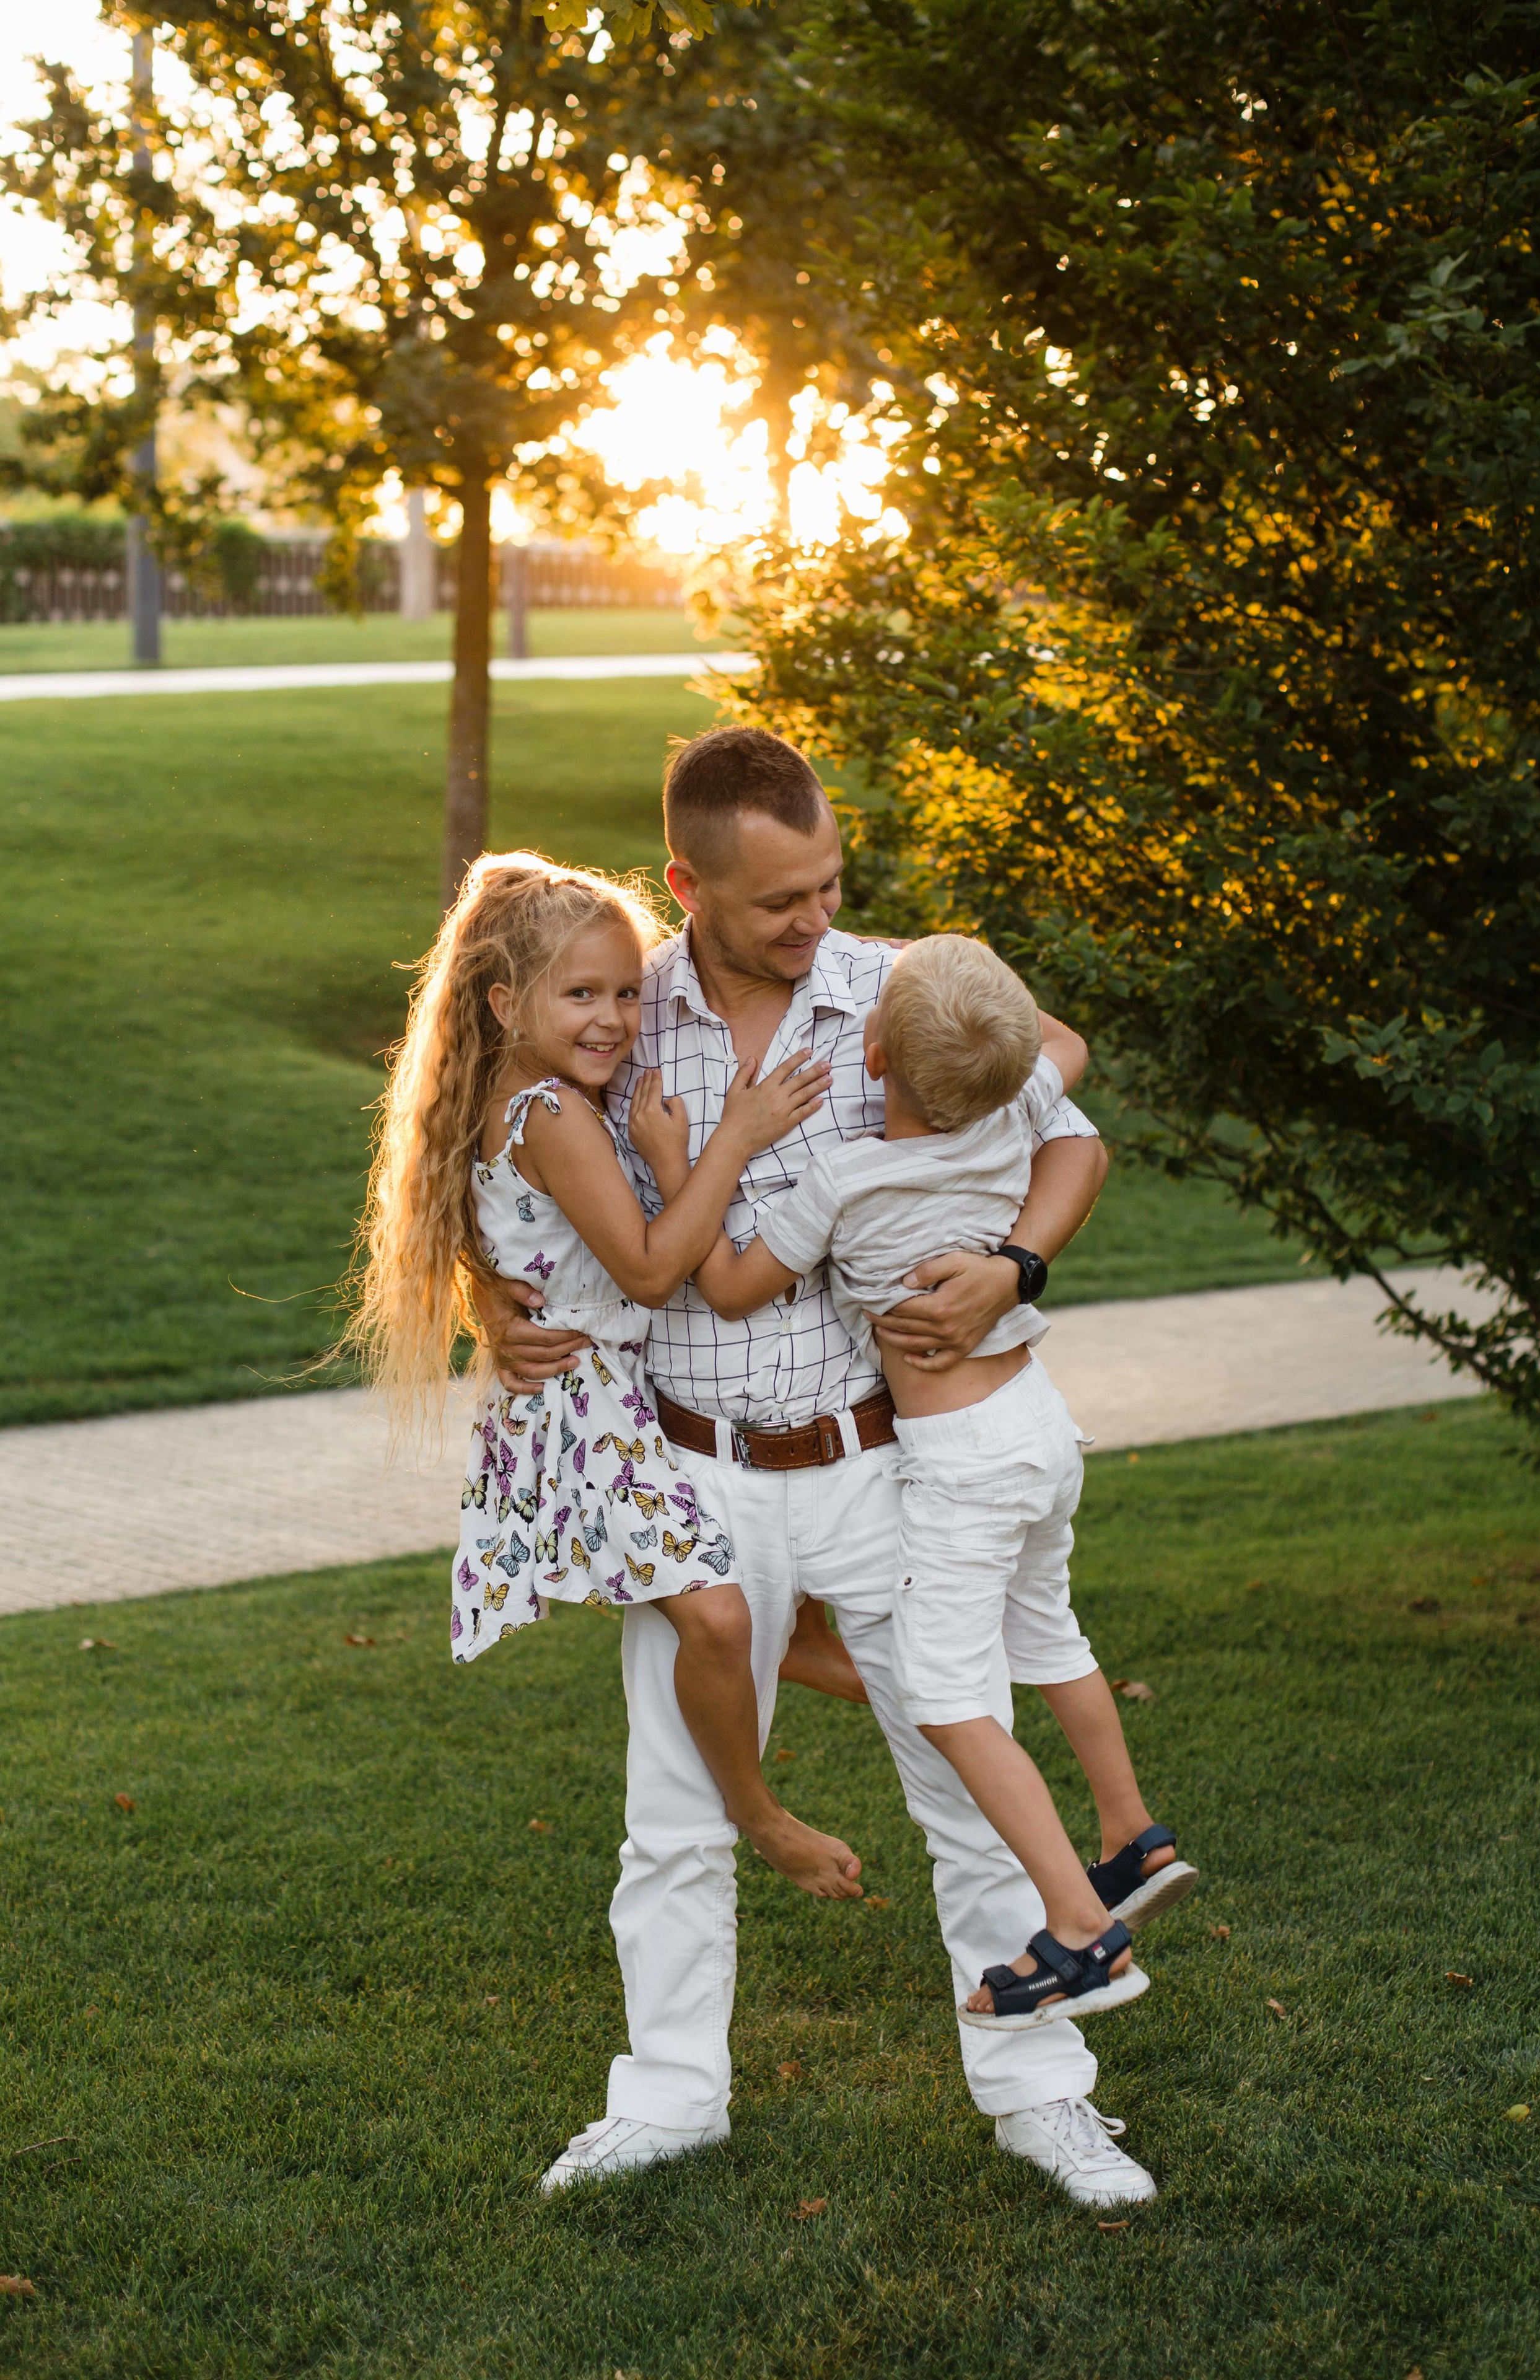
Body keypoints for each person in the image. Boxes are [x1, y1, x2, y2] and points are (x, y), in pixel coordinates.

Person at [481, 725, 1160, 2210]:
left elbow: (1072, 1133)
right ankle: (667, 2100)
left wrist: (1014, 1266)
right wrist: (494, 1312)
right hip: (693, 1470)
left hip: (882, 1464)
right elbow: (505, 1175)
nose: (813, 921)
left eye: (828, 884)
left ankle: (1040, 2089)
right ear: (686, 883)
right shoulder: (609, 1010)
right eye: (780, 900)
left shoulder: (899, 991)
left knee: (957, 1771)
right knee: (673, 1808)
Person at [678, 931, 1199, 2032]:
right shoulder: (1016, 1110)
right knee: (1047, 1630)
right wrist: (956, 977)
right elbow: (1065, 1043)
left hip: (962, 1457)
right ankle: (1131, 1834)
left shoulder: (848, 1173)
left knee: (951, 1698)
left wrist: (706, 1158)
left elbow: (727, 1285)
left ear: (873, 1053)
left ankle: (1078, 1929)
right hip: (1038, 1423)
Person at [346, 850, 864, 1897]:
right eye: (581, 994)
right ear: (505, 1003)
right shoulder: (555, 1115)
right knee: (715, 1614)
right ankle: (759, 1815)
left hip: (595, 1390)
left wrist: (489, 1295)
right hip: (587, 1408)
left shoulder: (513, 1092)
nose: (615, 1018)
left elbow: (501, 1232)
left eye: (628, 992)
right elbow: (650, 1264)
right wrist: (739, 1136)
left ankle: (803, 1646)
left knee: (757, 1586)